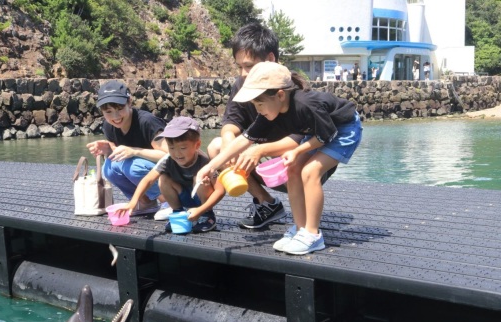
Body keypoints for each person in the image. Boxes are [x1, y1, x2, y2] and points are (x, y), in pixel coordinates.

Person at [196, 62, 362, 255]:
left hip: (343, 130)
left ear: (280, 95)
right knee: (292, 169)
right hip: (319, 132)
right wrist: (211, 166)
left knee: (310, 172)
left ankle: (313, 234)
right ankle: (300, 229)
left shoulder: (306, 104)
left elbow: (327, 135)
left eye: (259, 104)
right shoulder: (269, 112)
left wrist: (297, 151)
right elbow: (244, 140)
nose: (258, 110)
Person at [207, 23, 333, 230]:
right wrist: (230, 147)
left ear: (271, 59)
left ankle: (305, 228)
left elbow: (299, 139)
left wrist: (259, 150)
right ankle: (267, 204)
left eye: (248, 66)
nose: (243, 73)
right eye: (239, 66)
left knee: (297, 161)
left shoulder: (291, 88)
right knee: (217, 146)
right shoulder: (242, 85)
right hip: (266, 162)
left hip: (297, 157)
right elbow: (231, 124)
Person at [115, 117, 225, 233]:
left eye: (183, 148)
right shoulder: (167, 159)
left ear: (197, 145)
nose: (177, 153)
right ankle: (177, 213)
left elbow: (220, 190)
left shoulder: (205, 162)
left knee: (200, 178)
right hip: (183, 196)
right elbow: (148, 180)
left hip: (202, 200)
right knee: (163, 178)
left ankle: (207, 216)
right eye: (171, 148)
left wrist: (201, 210)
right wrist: (133, 202)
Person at [87, 80, 172, 219]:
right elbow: (118, 158)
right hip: (147, 171)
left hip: (171, 176)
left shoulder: (146, 122)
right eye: (108, 111)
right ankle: (145, 202)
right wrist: (108, 151)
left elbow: (172, 155)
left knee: (133, 166)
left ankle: (169, 202)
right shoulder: (109, 126)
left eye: (120, 108)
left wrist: (135, 151)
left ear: (129, 102)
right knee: (108, 167)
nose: (115, 116)